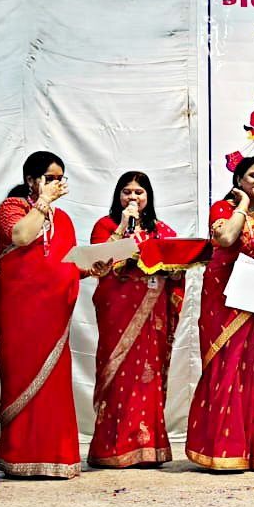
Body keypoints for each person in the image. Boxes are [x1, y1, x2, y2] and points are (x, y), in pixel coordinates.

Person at [189, 156, 254, 471]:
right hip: (225, 300)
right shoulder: (223, 209)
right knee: (227, 366)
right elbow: (226, 238)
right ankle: (224, 449)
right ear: (239, 179)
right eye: (253, 175)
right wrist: (243, 204)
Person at [0, 151, 82, 479]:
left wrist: (92, 267)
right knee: (19, 375)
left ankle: (56, 457)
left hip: (54, 313)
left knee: (55, 387)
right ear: (31, 180)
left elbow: (67, 263)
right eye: (50, 178)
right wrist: (42, 203)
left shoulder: (64, 219)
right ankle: (18, 456)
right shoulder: (11, 208)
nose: (57, 184)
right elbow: (21, 236)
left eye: (60, 178)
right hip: (21, 311)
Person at [86, 171, 184, 468]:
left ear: (148, 197)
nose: (133, 197)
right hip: (118, 311)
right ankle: (113, 448)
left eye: (139, 192)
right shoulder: (105, 226)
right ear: (118, 196)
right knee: (118, 374)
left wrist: (170, 267)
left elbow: (178, 265)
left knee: (148, 375)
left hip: (152, 313)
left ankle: (149, 447)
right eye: (127, 191)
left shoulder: (161, 231)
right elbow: (96, 263)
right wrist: (122, 228)